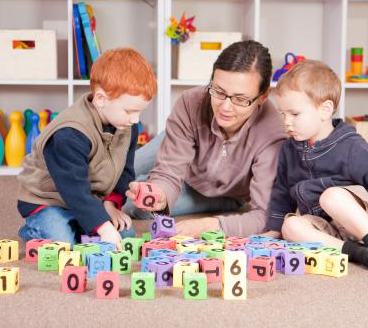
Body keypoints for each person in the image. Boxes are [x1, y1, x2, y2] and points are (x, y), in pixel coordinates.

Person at [267, 59, 368, 269]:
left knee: (331, 196)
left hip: (363, 217)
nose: (286, 122)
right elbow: (281, 192)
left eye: (294, 114)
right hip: (326, 225)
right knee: (291, 227)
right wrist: (274, 230)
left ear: (325, 110)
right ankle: (356, 253)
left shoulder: (349, 145)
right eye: (283, 114)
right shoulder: (289, 149)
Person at [122, 40, 286, 238]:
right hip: (182, 150)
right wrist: (160, 194)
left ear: (263, 96)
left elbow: (264, 216)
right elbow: (168, 172)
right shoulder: (191, 102)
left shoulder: (273, 134)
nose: (225, 107)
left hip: (222, 194)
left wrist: (212, 224)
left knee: (134, 206)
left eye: (241, 99)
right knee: (117, 172)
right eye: (218, 91)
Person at [16, 48, 157, 248]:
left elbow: (125, 171)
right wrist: (102, 226)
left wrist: (111, 205)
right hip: (49, 201)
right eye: (129, 111)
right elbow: (73, 188)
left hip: (90, 197)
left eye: (140, 112)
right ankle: (32, 229)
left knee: (127, 235)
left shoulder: (127, 125)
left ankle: (84, 222)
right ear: (100, 99)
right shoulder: (69, 134)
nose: (135, 119)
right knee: (63, 242)